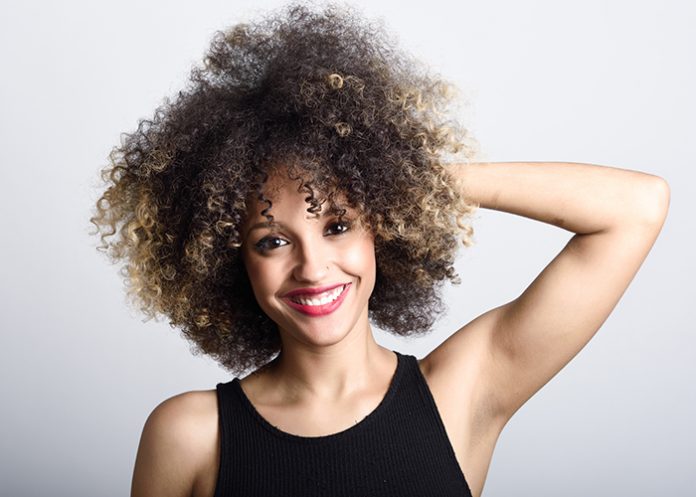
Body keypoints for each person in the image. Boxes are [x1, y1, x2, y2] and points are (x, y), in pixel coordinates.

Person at [89, 3, 670, 497]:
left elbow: (636, 207)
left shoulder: (461, 393)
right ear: (230, 259)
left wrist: (409, 180)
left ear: (382, 229)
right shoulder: (190, 433)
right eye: (272, 241)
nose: (313, 267)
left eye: (338, 226)